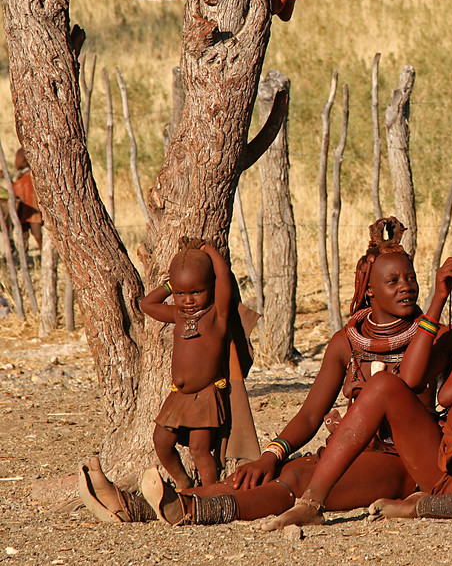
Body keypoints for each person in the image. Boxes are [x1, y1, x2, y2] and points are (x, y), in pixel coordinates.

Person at [79, 218, 432, 525]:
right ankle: (138, 506)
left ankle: (190, 510)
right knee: (268, 471)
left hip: (402, 463)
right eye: (393, 280)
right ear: (368, 290)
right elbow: (311, 414)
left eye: (411, 277)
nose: (406, 285)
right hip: (351, 451)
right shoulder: (346, 342)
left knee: (295, 477)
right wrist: (270, 453)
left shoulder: (435, 337)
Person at [260, 247, 452, 530]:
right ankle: (312, 503)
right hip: (442, 469)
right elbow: (409, 380)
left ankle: (428, 507)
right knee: (383, 385)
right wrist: (436, 301)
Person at [139, 237, 233, 489]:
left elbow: (223, 276)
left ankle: (211, 495)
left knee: (199, 450)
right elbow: (146, 303)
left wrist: (207, 250)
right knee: (161, 441)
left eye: (196, 292)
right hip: (178, 396)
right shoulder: (177, 315)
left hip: (205, 396)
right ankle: (184, 482)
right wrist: (171, 285)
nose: (188, 300)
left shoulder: (217, 315)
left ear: (210, 288)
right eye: (181, 294)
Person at [12, 148, 42, 249]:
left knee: (37, 235)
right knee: (24, 236)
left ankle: (42, 253)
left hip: (32, 210)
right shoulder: (22, 176)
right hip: (25, 210)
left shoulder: (29, 177)